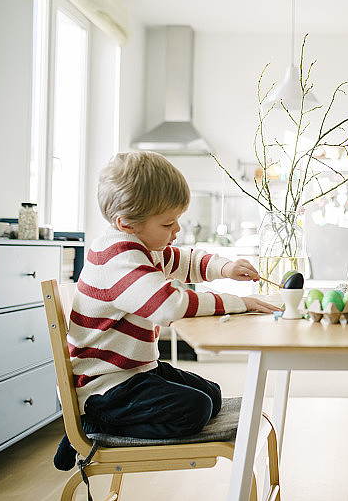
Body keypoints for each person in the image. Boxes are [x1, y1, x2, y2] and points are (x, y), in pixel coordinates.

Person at [53, 151, 279, 471]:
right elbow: (169, 305)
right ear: (126, 223)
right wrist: (239, 302)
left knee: (211, 396)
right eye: (168, 222)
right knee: (196, 409)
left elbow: (184, 260)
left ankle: (109, 421)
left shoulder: (144, 247)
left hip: (136, 372)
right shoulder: (117, 258)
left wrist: (226, 267)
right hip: (106, 387)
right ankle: (100, 426)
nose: (177, 230)